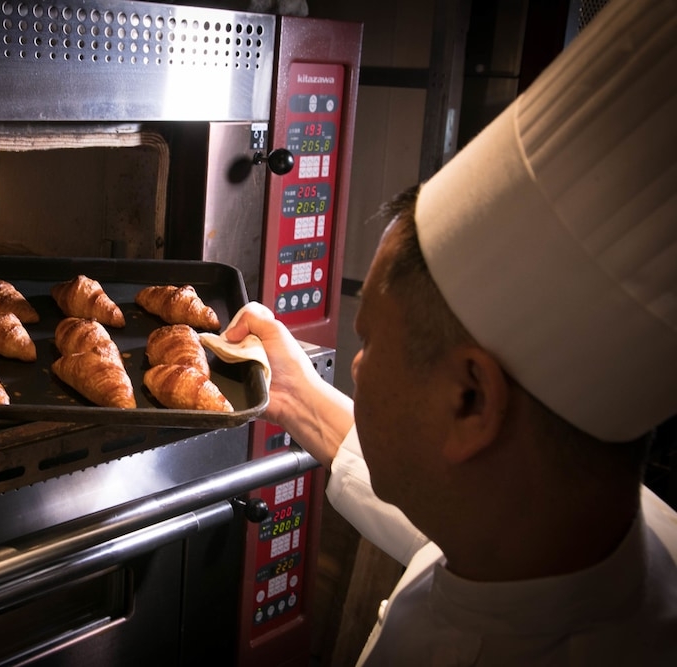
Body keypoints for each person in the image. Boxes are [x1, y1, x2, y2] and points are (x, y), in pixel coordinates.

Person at [217, 0, 677, 663]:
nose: (353, 365)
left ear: (469, 399)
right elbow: (460, 493)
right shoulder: (599, 536)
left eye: (371, 342)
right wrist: (292, 395)